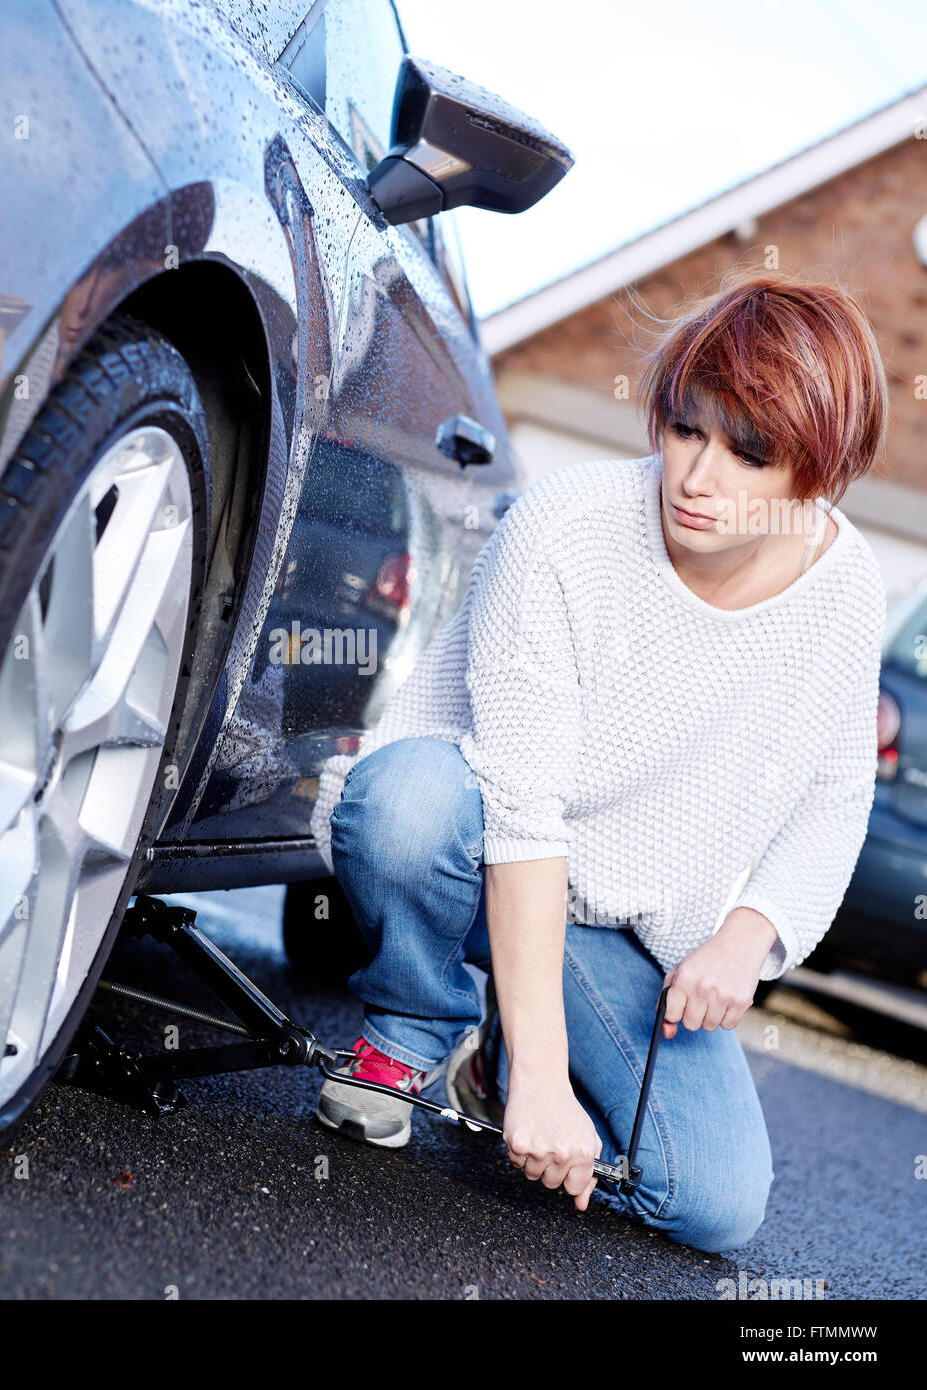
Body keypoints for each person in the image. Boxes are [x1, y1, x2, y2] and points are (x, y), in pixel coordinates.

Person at [308, 267, 888, 1254]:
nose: (697, 478)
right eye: (685, 429)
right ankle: (409, 1022)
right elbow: (521, 814)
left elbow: (834, 796)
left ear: (815, 474)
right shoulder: (566, 529)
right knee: (406, 803)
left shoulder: (842, 588)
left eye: (746, 452)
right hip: (473, 841)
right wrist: (549, 1073)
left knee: (712, 1200)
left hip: (619, 933)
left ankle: (488, 1068)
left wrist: (749, 933)